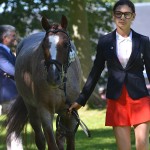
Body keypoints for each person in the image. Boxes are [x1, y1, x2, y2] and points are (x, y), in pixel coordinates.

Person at [69, 0, 150, 150]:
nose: (122, 18)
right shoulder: (105, 41)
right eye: (118, 14)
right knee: (123, 148)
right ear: (113, 16)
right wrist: (81, 99)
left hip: (140, 98)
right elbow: (96, 71)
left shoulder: (143, 41)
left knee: (142, 145)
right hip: (116, 99)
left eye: (127, 14)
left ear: (133, 16)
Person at [0, 25, 23, 150]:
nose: (15, 38)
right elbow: (12, 70)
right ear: (5, 37)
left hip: (12, 95)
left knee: (13, 127)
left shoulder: (8, 51)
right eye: (13, 35)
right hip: (8, 96)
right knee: (14, 127)